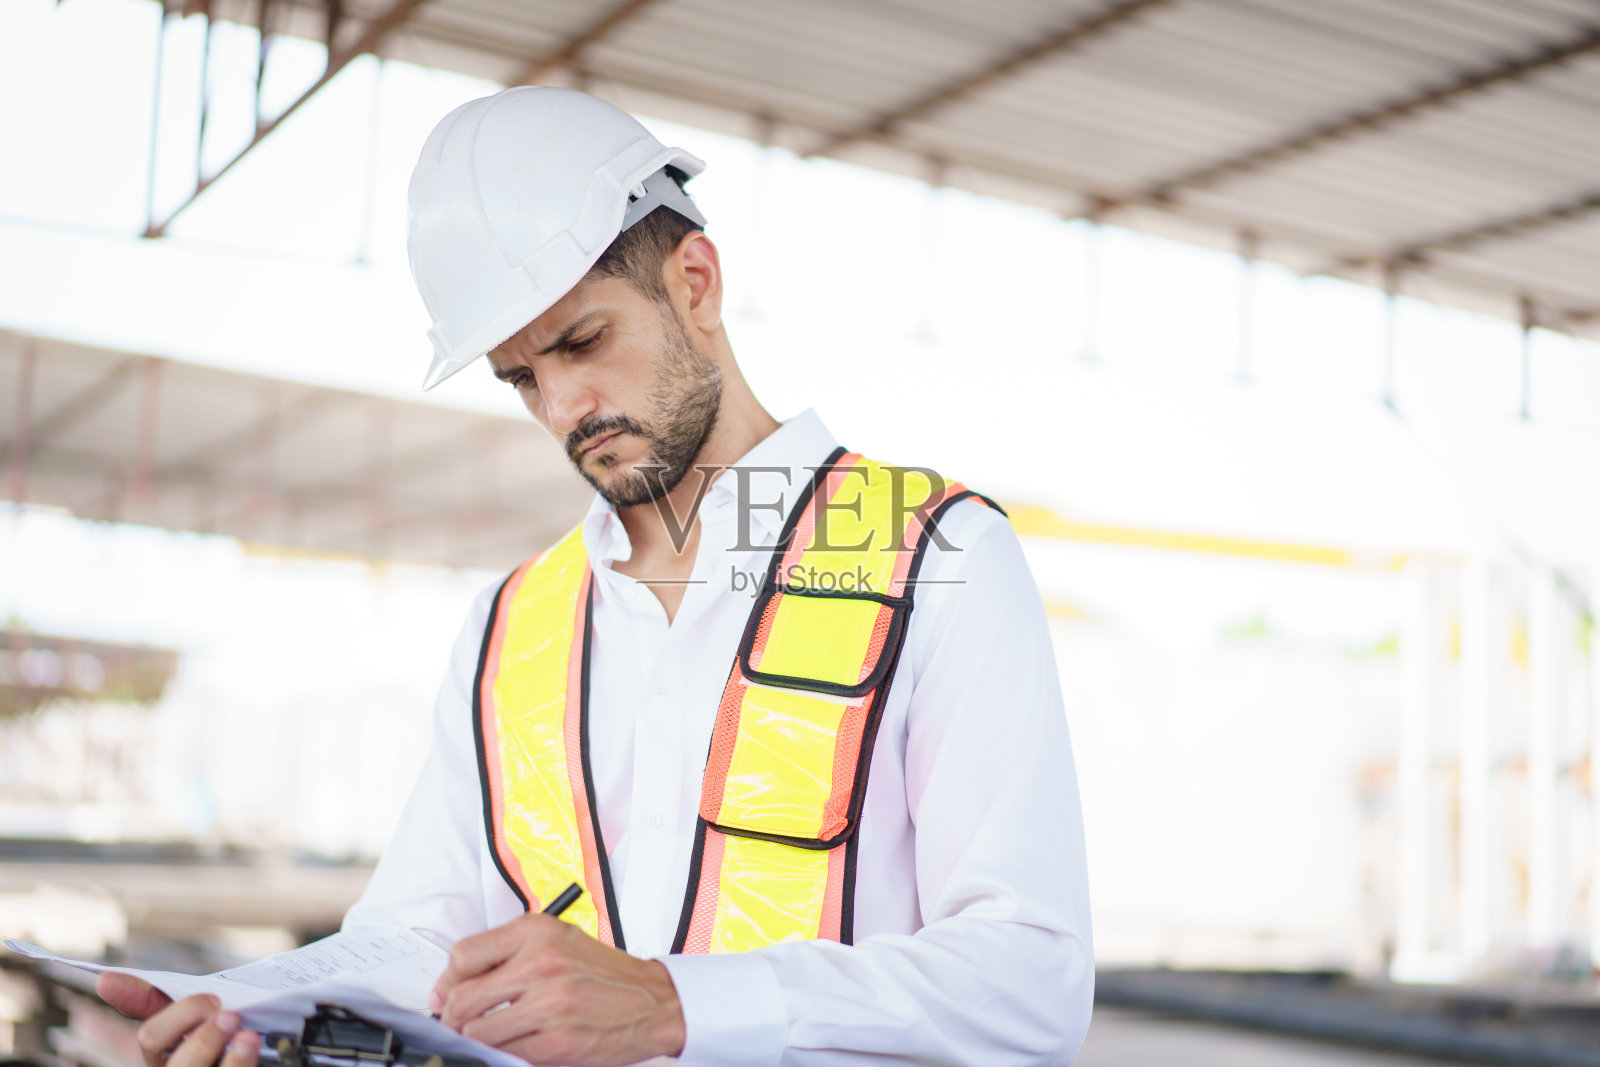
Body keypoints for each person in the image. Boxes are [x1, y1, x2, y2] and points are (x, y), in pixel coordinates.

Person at [97, 87, 1093, 1066]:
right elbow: (416, 940)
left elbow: (1028, 976)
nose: (566, 404)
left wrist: (672, 1004)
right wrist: (253, 1013)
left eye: (583, 340)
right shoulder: (514, 620)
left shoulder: (930, 550)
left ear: (694, 280)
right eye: (521, 376)